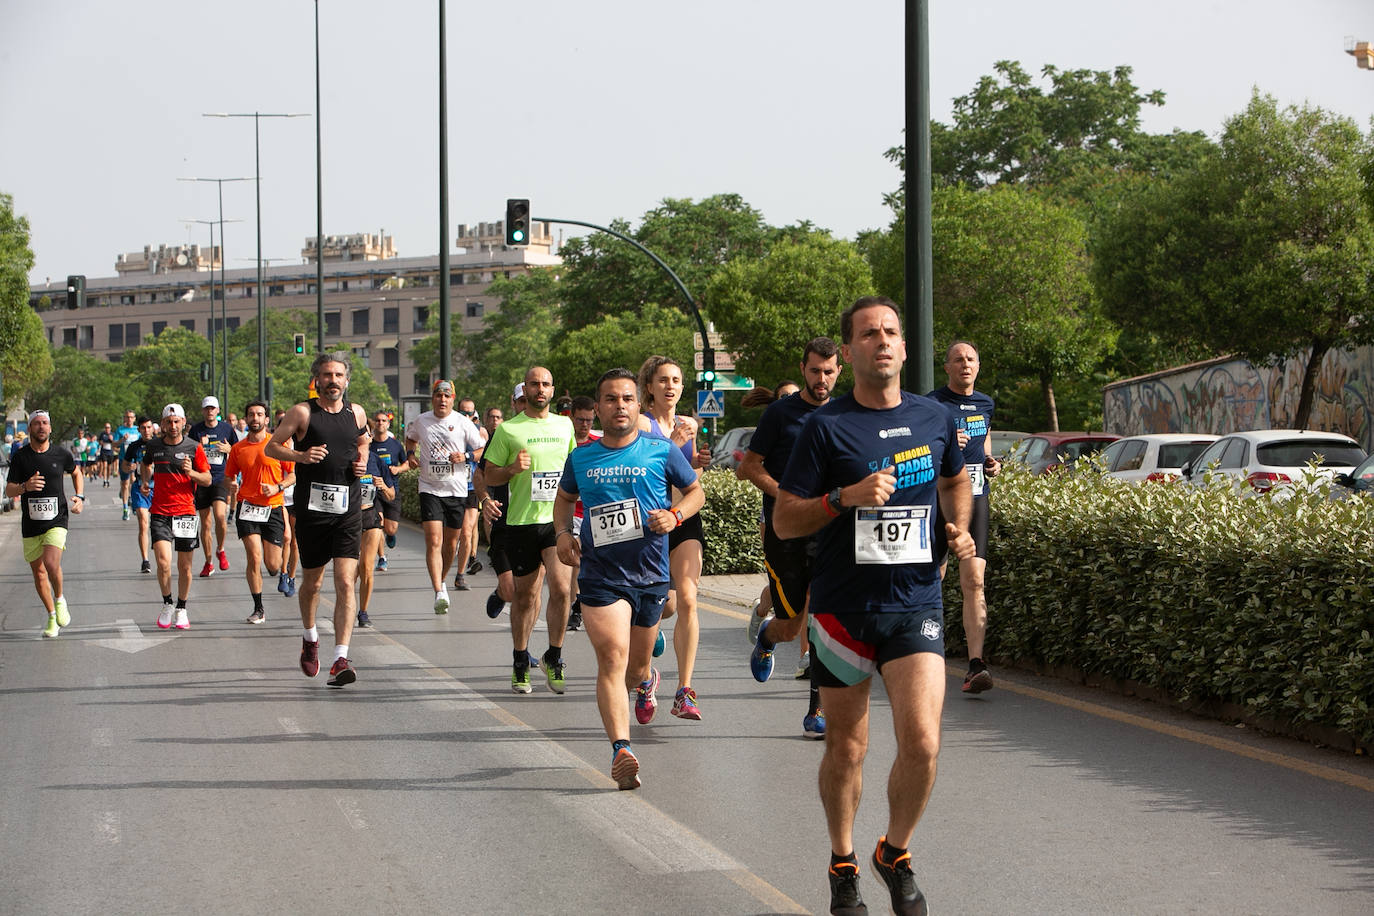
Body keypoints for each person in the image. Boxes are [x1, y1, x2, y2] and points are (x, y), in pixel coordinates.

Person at [774, 296, 974, 916]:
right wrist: (843, 498)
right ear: (851, 350)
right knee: (848, 748)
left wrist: (958, 526)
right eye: (868, 334)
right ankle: (843, 861)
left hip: (914, 600)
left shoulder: (935, 418)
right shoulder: (823, 427)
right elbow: (784, 521)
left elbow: (955, 478)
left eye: (890, 332)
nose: (881, 341)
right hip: (842, 611)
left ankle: (894, 851)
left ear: (905, 348)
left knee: (923, 741)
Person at [553, 368, 704, 789]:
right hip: (601, 575)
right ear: (597, 408)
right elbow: (564, 501)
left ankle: (648, 679)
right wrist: (563, 534)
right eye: (610, 399)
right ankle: (621, 749)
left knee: (636, 668)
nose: (619, 406)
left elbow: (696, 493)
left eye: (626, 399)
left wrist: (674, 515)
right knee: (612, 657)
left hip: (651, 574)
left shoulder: (659, 450)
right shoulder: (581, 457)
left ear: (638, 406)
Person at [739, 338, 842, 740]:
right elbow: (749, 467)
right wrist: (786, 495)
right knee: (790, 623)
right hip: (785, 533)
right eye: (815, 371)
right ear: (803, 369)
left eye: (829, 371)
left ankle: (817, 707)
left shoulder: (846, 412)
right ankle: (767, 637)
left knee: (821, 619)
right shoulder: (780, 414)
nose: (822, 379)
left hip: (831, 531)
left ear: (839, 371)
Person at [266, 353, 371, 688]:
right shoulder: (303, 413)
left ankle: (340, 657)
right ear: (317, 380)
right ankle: (310, 638)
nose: (333, 380)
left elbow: (363, 440)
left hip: (348, 510)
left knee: (344, 581)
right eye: (327, 375)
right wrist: (300, 456)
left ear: (347, 380)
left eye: (338, 375)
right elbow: (272, 447)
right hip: (312, 512)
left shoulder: (356, 413)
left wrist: (362, 462)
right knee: (311, 583)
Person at [481, 366, 576, 695]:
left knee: (562, 589)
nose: (540, 389)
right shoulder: (508, 430)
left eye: (546, 384)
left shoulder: (565, 426)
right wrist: (510, 469)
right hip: (521, 523)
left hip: (555, 522)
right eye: (534, 384)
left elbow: (573, 468)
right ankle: (521, 660)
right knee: (526, 597)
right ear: (526, 389)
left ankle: (554, 655)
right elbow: (489, 475)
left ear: (552, 389)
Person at [637, 355, 711, 720]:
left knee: (688, 597)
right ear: (649, 387)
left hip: (683, 518)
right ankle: (648, 675)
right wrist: (670, 440)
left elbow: (686, 469)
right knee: (662, 606)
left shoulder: (689, 423)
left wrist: (699, 460)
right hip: (650, 523)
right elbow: (648, 467)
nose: (671, 386)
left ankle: (685, 691)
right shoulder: (639, 422)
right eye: (663, 380)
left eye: (677, 380)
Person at [928, 340, 1002, 694]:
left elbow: (984, 441)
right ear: (947, 367)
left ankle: (976, 665)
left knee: (974, 580)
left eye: (971, 359)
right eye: (958, 359)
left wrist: (992, 463)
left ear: (978, 365)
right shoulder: (932, 403)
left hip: (975, 498)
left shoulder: (985, 403)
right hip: (941, 500)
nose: (965, 364)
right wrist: (943, 445)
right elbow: (918, 452)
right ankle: (927, 653)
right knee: (934, 579)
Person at [404, 380, 485, 611]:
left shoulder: (462, 422)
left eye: (447, 396)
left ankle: (442, 578)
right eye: (438, 395)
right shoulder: (422, 421)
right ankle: (439, 591)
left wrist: (466, 457)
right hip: (429, 488)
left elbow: (481, 450)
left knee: (451, 543)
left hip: (456, 490)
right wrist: (410, 455)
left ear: (452, 399)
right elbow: (411, 437)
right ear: (433, 398)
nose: (442, 399)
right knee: (434, 541)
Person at [4, 410, 84, 637]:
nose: (41, 427)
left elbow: (76, 473)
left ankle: (59, 599)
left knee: (50, 563)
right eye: (37, 423)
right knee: (39, 574)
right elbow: (9, 489)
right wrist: (24, 487)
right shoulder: (21, 457)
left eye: (45, 423)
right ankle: (51, 617)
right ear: (29, 429)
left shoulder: (61, 454)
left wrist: (80, 496)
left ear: (50, 428)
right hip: (31, 523)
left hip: (57, 518)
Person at [140, 404, 213, 630]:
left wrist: (191, 472)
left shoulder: (194, 447)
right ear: (162, 424)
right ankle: (167, 603)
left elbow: (208, 479)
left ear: (183, 423)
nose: (173, 426)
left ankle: (181, 607)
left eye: (177, 421)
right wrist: (145, 482)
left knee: (185, 567)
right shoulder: (153, 446)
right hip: (160, 511)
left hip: (185, 513)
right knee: (163, 563)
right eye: (168, 422)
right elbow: (145, 465)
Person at [225, 401, 296, 625]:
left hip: (273, 507)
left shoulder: (278, 445)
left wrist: (278, 487)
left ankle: (279, 572)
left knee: (272, 565)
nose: (255, 418)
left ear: (267, 420)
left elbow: (293, 475)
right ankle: (258, 608)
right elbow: (228, 477)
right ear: (246, 420)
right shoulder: (238, 449)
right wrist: (231, 486)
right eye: (251, 415)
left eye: (259, 415)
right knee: (254, 556)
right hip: (247, 507)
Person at [565, 394, 602, 633]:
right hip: (569, 512)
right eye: (580, 419)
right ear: (572, 418)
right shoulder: (564, 442)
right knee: (574, 563)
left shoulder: (597, 443)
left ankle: (579, 605)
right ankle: (574, 607)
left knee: (585, 564)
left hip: (590, 512)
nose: (585, 424)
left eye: (589, 420)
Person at [188, 395, 236, 577]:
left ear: (218, 411)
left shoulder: (227, 429)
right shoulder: (196, 431)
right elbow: (190, 452)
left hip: (220, 478)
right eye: (207, 408)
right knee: (206, 524)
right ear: (203, 411)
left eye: (212, 408)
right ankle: (209, 562)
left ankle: (221, 549)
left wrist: (229, 449)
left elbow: (238, 450)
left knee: (220, 516)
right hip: (202, 479)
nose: (210, 411)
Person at [354, 448, 395, 628]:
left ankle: (363, 612)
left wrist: (383, 486)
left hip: (370, 515)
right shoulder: (343, 456)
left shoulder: (377, 461)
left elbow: (391, 495)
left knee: (366, 567)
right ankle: (345, 606)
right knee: (348, 573)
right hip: (348, 519)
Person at [456, 396, 487, 584]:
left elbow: (483, 452)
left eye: (470, 413)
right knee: (453, 536)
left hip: (470, 487)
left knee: (467, 530)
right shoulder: (449, 429)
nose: (467, 416)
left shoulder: (478, 431)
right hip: (451, 488)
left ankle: (462, 572)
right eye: (463, 412)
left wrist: (467, 455)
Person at [369, 410, 406, 571]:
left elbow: (407, 464)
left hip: (391, 490)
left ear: (388, 424)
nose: (380, 423)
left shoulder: (395, 445)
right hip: (373, 492)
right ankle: (382, 558)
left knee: (390, 528)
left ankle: (390, 534)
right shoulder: (368, 445)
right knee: (378, 525)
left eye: (383, 420)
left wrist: (398, 469)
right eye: (377, 420)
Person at [120, 415, 157, 573]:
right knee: (143, 523)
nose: (147, 430)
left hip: (159, 488)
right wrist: (131, 467)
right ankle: (145, 560)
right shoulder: (134, 446)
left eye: (149, 427)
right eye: (143, 428)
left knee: (157, 525)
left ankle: (160, 551)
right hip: (140, 487)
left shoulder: (160, 444)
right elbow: (124, 466)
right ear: (139, 429)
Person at [116, 409, 140, 520]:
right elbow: (114, 445)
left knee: (134, 481)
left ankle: (134, 503)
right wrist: (122, 440)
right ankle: (125, 508)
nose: (129, 419)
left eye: (131, 417)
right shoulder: (120, 430)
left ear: (134, 419)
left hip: (135, 460)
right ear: (124, 418)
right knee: (125, 484)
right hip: (124, 460)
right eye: (127, 417)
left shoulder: (138, 430)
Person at [96, 422, 117, 488]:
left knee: (109, 467)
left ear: (110, 428)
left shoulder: (113, 434)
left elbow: (115, 443)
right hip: (104, 452)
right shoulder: (102, 434)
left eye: (108, 427)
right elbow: (99, 441)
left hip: (110, 452)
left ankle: (108, 480)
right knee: (104, 466)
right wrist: (100, 442)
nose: (107, 429)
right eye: (106, 428)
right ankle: (104, 480)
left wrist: (112, 439)